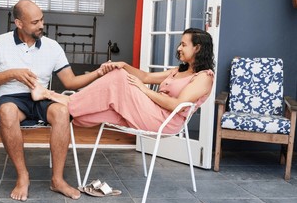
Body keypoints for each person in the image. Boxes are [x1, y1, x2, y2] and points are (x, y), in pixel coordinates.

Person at [0, 0, 112, 201]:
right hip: (10, 99)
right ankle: (23, 176)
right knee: (7, 111)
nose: (41, 25)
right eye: (35, 22)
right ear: (19, 23)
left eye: (42, 19)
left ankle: (57, 180)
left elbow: (71, 81)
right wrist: (12, 74)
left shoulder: (52, 46)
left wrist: (99, 72)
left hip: (40, 97)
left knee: (61, 111)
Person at [32, 28, 215, 134]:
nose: (179, 48)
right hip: (149, 112)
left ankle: (53, 96)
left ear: (197, 48)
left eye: (184, 44)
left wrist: (144, 91)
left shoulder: (204, 77)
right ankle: (60, 113)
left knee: (118, 78)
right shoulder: (178, 71)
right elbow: (145, 77)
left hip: (164, 122)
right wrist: (123, 64)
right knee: (103, 107)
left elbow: (176, 104)